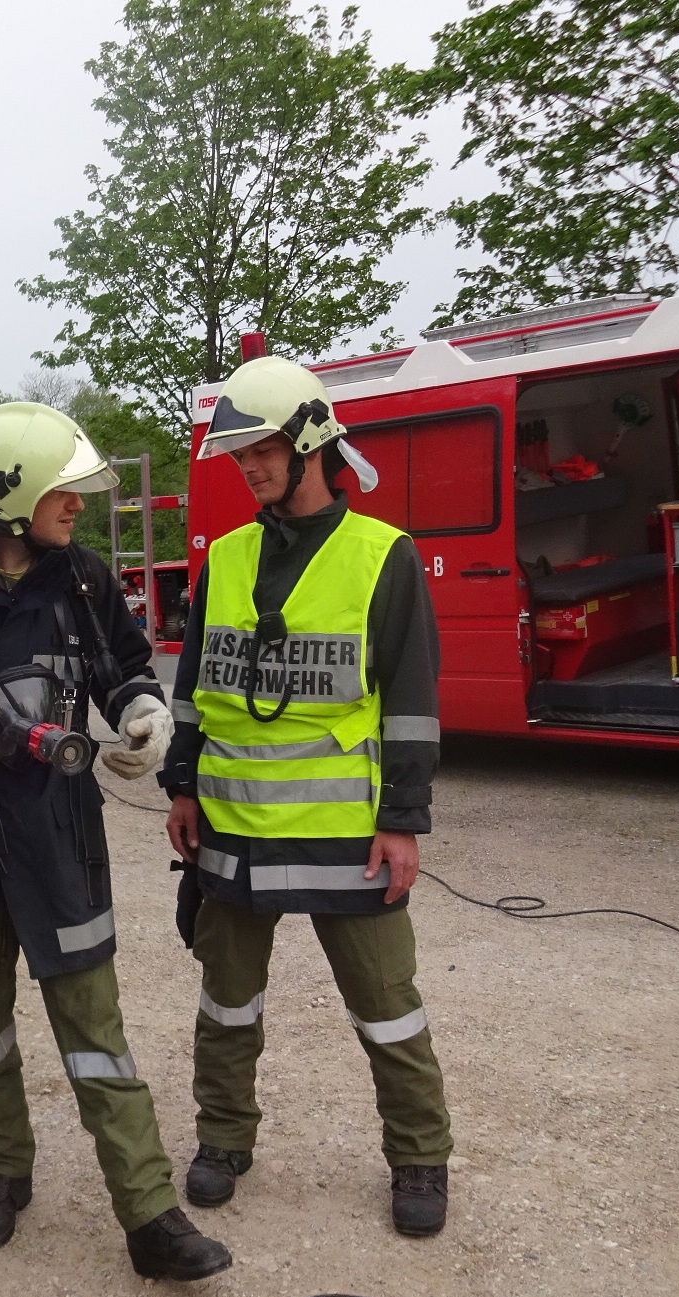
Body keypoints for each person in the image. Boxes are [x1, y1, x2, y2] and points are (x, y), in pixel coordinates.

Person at [0, 401, 232, 1283]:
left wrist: (142, 710)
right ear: (12, 494)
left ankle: (149, 1216)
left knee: (95, 1029)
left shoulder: (85, 583)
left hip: (59, 846)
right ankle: (3, 1172)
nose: (78, 505)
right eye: (63, 490)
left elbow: (125, 668)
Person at [159, 355, 452, 1237]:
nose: (248, 467)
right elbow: (194, 688)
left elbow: (410, 700)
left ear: (311, 442)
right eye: (239, 453)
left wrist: (403, 821)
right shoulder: (226, 558)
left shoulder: (383, 556)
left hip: (345, 832)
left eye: (262, 449)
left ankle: (419, 1156)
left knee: (386, 1004)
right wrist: (182, 785)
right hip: (233, 827)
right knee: (226, 1002)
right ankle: (223, 1142)